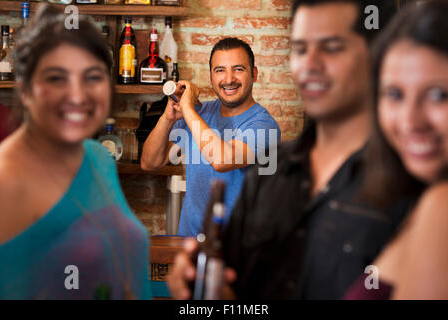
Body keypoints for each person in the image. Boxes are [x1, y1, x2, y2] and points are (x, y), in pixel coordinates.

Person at [167, 0, 411, 299]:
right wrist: (201, 293)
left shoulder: (410, 187)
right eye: (300, 48)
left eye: (333, 46)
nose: (310, 64)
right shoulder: (275, 172)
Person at [0, 5, 151, 299]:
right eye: (57, 78)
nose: (78, 95)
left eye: (92, 76)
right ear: (26, 89)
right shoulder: (6, 181)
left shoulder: (97, 158)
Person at [345, 0, 448, 299]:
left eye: (438, 94)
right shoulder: (422, 196)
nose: (410, 121)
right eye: (394, 94)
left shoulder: (442, 204)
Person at [140, 37, 281, 237]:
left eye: (238, 69)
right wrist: (167, 117)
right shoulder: (199, 114)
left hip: (238, 253)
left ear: (254, 74)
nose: (229, 79)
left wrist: (187, 108)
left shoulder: (265, 126)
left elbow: (222, 160)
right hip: (189, 246)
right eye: (220, 70)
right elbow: (150, 162)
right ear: (211, 77)